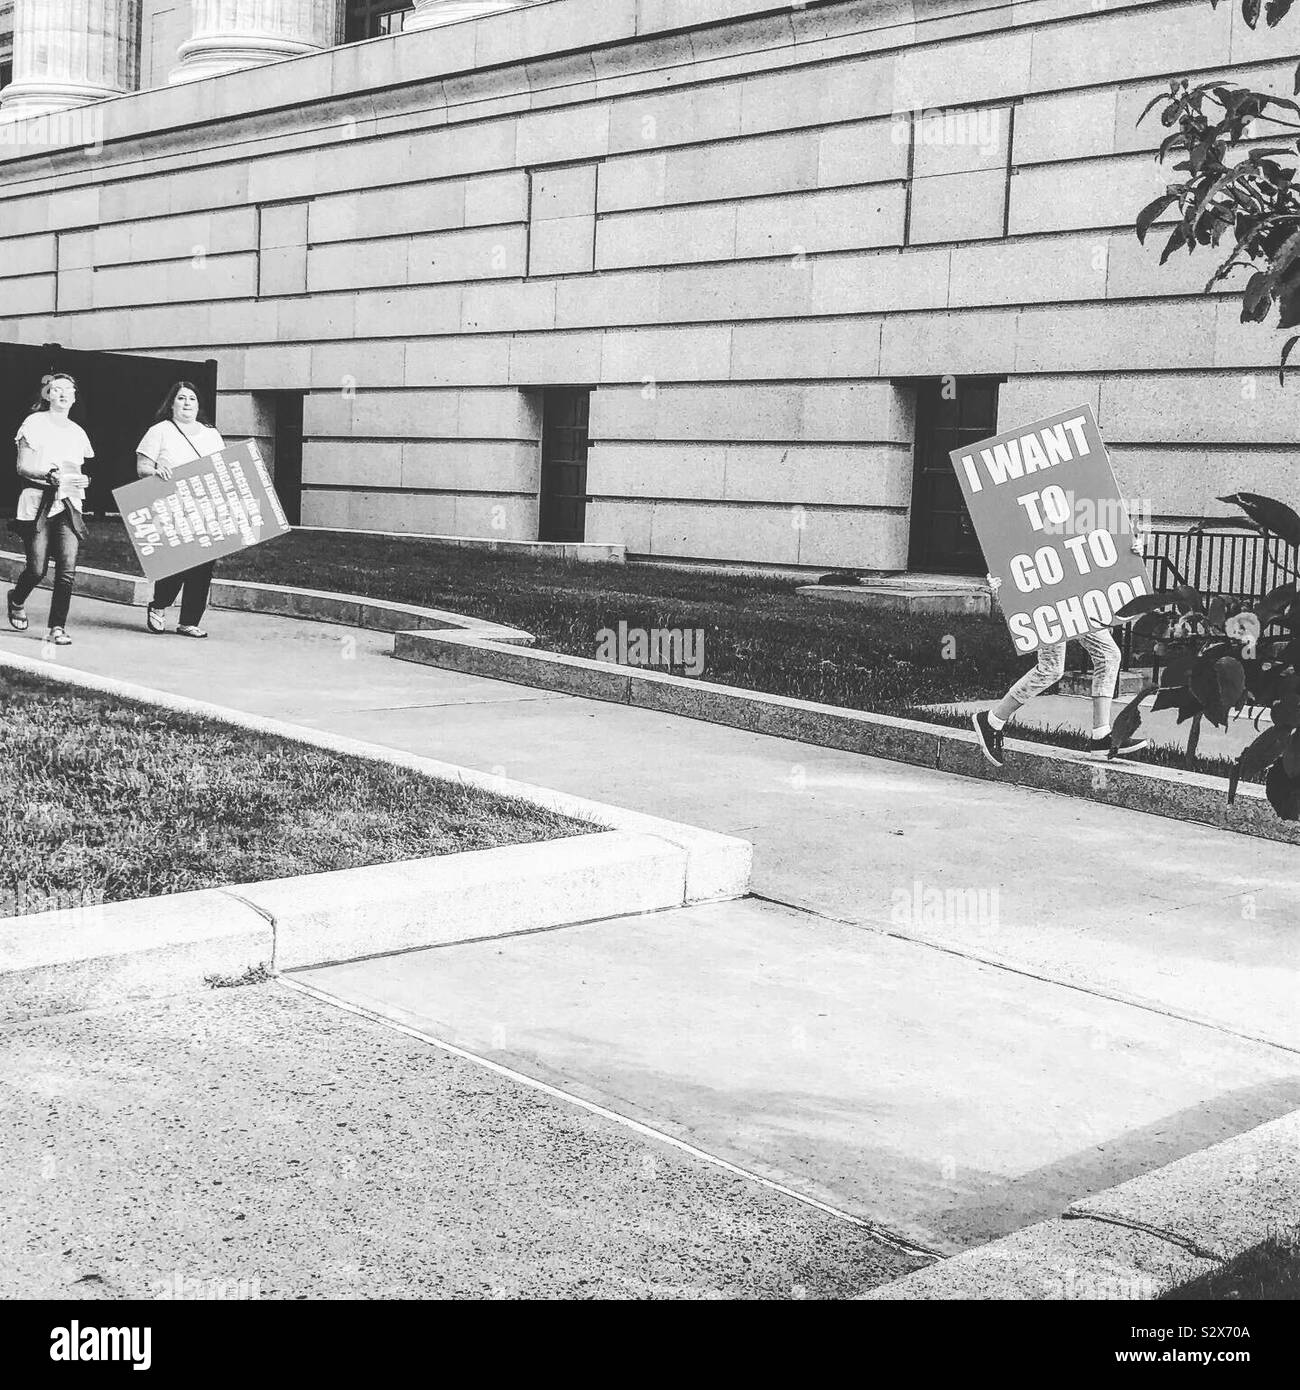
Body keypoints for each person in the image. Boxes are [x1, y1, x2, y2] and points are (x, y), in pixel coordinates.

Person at [972, 530, 1151, 769]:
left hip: (1076, 591)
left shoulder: (1081, 503)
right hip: (1042, 591)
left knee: (1109, 654)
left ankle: (1101, 737)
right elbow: (1008, 530)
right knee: (1051, 668)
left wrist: (1130, 551)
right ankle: (992, 720)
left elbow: (1103, 532)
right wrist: (1001, 578)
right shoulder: (1033, 505)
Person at [7, 373, 93, 646]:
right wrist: (49, 475)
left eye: (68, 389)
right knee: (37, 568)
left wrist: (85, 480)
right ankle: (17, 599)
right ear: (47, 395)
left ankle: (57, 627)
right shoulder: (34, 424)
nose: (63, 394)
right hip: (38, 502)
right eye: (56, 389)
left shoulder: (78, 432)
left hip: (68, 503)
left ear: (75, 396)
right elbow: (22, 466)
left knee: (67, 570)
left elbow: (82, 470)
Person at [135, 381, 225, 638]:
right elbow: (142, 468)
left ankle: (189, 620)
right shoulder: (160, 431)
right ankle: (160, 604)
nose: (187, 403)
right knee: (178, 559)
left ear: (199, 404)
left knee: (204, 563)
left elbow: (220, 466)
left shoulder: (211, 434)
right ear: (171, 403)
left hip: (205, 506)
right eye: (182, 398)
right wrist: (156, 472)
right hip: (172, 505)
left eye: (192, 399)